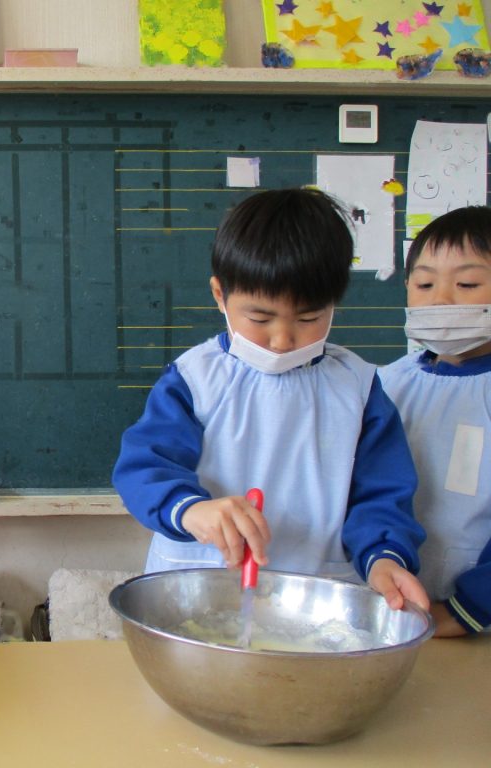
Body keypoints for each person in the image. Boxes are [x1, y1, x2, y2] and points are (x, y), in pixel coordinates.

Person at [113, 188, 429, 611]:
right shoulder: (195, 379)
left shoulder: (358, 388)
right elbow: (143, 467)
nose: (282, 339)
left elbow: (381, 493)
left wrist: (384, 557)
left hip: (315, 599)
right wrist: (191, 511)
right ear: (220, 295)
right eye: (260, 318)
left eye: (308, 317)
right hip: (199, 587)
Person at [379, 206, 491, 636]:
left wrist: (466, 609)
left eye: (467, 284)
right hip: (387, 609)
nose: (441, 299)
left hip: (469, 622)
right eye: (425, 284)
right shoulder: (386, 384)